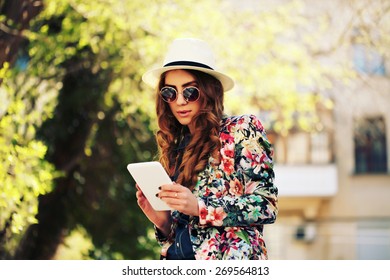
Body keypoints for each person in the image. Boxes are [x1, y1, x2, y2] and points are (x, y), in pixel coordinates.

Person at [136, 38, 278, 260]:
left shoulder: (242, 129)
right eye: (170, 93)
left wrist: (200, 207)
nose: (180, 101)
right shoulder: (174, 148)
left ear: (209, 90)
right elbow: (183, 233)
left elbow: (266, 205)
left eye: (190, 91)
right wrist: (162, 221)